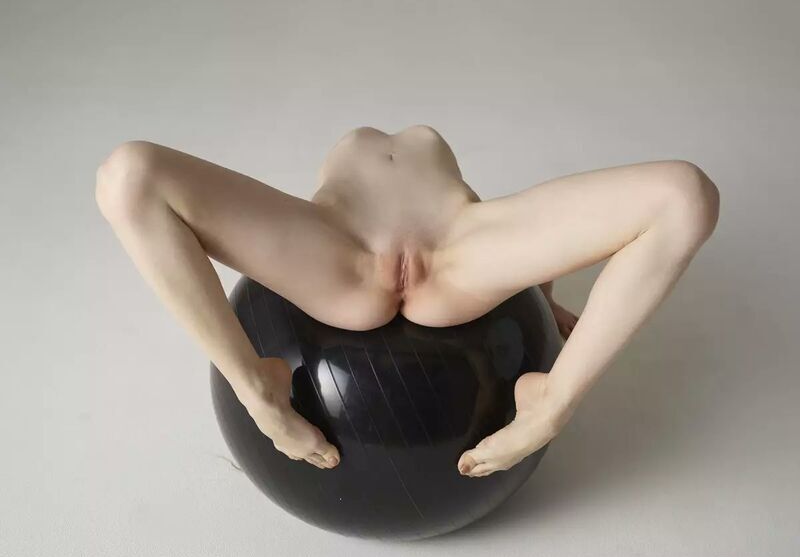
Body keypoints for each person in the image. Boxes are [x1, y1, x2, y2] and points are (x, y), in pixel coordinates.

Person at [95, 124, 719, 477]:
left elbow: (534, 258)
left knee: (128, 175)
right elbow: (536, 244)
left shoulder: (345, 166)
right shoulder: (450, 174)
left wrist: (541, 296)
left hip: (348, 258)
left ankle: (553, 406)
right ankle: (550, 401)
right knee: (686, 195)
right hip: (448, 254)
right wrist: (538, 291)